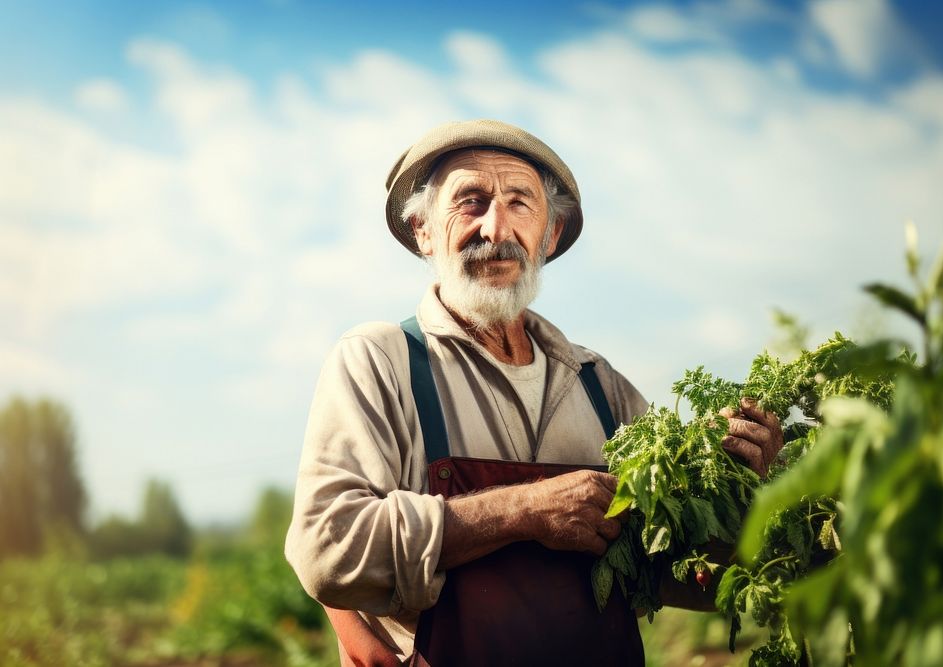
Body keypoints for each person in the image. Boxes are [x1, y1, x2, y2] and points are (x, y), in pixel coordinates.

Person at [285, 119, 784, 666]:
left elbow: (688, 580)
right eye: (469, 202)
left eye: (519, 203)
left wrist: (736, 493)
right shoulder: (382, 361)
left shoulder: (598, 386)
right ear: (424, 232)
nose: (495, 229)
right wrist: (522, 510)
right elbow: (326, 551)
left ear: (547, 236)